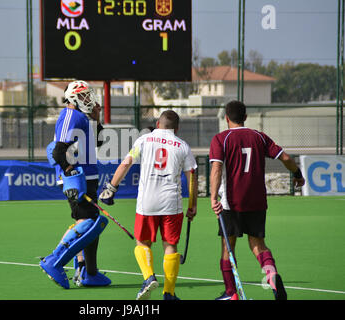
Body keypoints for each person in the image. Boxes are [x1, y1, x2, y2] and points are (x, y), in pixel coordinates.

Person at [209, 100, 305, 300]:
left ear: (227, 118)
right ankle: (273, 277)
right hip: (257, 201)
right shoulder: (260, 137)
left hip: (231, 203)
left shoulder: (221, 139)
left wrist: (212, 196)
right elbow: (285, 158)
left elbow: (217, 168)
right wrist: (297, 174)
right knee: (258, 245)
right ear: (245, 117)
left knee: (228, 248)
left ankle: (230, 294)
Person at [99, 110, 198, 300]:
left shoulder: (144, 140)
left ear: (158, 124)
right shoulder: (182, 146)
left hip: (147, 203)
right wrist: (193, 205)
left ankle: (148, 277)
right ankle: (169, 293)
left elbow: (126, 163)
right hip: (172, 203)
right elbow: (191, 177)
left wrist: (111, 187)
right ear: (176, 128)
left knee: (142, 242)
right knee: (170, 246)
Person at [40, 80, 111, 289]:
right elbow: (58, 151)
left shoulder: (82, 117)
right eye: (85, 96)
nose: (89, 100)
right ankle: (54, 260)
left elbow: (97, 142)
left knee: (89, 223)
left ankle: (88, 272)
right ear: (74, 97)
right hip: (79, 179)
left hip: (87, 176)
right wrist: (71, 174)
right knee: (87, 223)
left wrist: (97, 121)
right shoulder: (71, 115)